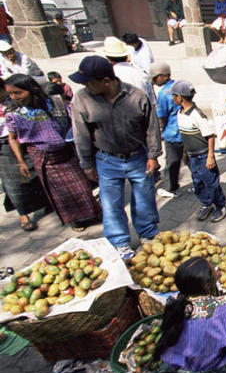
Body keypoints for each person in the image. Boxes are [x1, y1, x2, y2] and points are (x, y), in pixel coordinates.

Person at [69, 55, 162, 259]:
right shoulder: (82, 99)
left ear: (106, 81)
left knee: (145, 197)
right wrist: (87, 163)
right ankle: (120, 242)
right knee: (111, 204)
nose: (85, 86)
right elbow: (80, 134)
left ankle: (148, 234)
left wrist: (153, 155)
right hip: (106, 159)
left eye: (88, 82)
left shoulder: (136, 96)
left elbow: (151, 127)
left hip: (138, 157)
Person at [4, 74, 99, 231]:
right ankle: (74, 220)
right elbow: (13, 139)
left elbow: (74, 119)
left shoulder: (54, 103)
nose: (14, 97)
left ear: (32, 89)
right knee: (61, 193)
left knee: (81, 185)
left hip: (66, 152)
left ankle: (94, 213)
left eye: (18, 92)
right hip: (43, 157)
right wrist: (21, 162)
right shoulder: (14, 115)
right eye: (11, 94)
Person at [172, 80, 226, 223]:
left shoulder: (197, 115)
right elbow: (185, 136)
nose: (172, 99)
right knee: (198, 182)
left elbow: (210, 136)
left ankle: (221, 206)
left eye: (174, 96)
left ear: (180, 98)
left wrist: (210, 156)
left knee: (211, 182)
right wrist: (185, 154)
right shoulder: (180, 113)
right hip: (192, 156)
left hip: (203, 155)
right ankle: (206, 204)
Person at [0, 79, 47, 231]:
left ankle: (47, 203)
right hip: (4, 145)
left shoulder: (14, 98)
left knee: (37, 173)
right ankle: (23, 213)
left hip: (25, 138)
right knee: (13, 182)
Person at [151, 62, 183, 197]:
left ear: (163, 76)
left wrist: (161, 131)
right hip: (186, 130)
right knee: (190, 159)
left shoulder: (164, 94)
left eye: (154, 78)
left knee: (172, 161)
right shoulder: (180, 86)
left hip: (172, 132)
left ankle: (171, 187)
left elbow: (162, 116)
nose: (153, 81)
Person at [102, 36, 156, 107]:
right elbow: (152, 101)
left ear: (108, 58)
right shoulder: (141, 73)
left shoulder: (111, 77)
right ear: (127, 56)